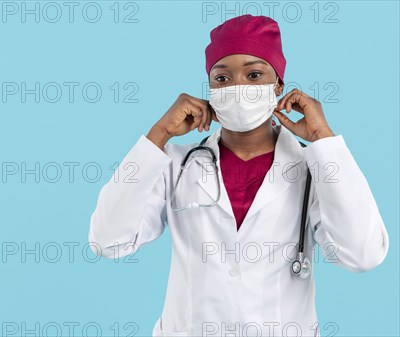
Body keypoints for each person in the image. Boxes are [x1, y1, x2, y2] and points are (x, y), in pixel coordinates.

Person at [88, 14, 389, 337]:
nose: (237, 88)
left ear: (278, 87)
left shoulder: (312, 167)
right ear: (209, 89)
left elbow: (363, 254)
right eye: (222, 79)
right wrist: (157, 136)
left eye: (254, 74)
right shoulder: (177, 164)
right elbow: (108, 241)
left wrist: (324, 141)